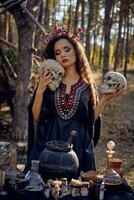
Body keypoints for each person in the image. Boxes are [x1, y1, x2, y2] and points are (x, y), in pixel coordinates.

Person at [24, 24, 124, 176]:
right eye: (58, 52)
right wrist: (40, 90)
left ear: (76, 51)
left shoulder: (87, 85)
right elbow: (37, 117)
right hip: (50, 143)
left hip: (77, 144)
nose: (62, 54)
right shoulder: (50, 81)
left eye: (67, 49)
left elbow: (91, 120)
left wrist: (104, 100)